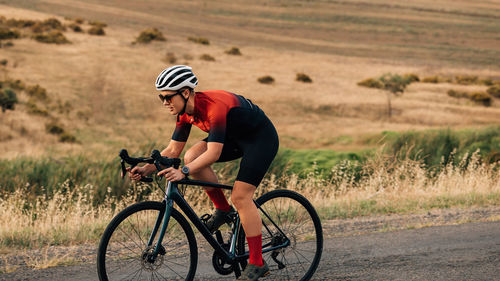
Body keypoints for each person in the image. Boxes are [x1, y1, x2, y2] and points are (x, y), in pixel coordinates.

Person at [129, 65, 279, 280]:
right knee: (191, 156)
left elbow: (214, 153)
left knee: (241, 196)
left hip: (260, 139)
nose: (164, 103)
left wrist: (184, 172)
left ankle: (257, 262)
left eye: (168, 97)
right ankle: (223, 210)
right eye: (161, 98)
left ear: (186, 92)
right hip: (234, 137)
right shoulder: (184, 114)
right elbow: (172, 151)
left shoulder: (213, 108)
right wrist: (147, 167)